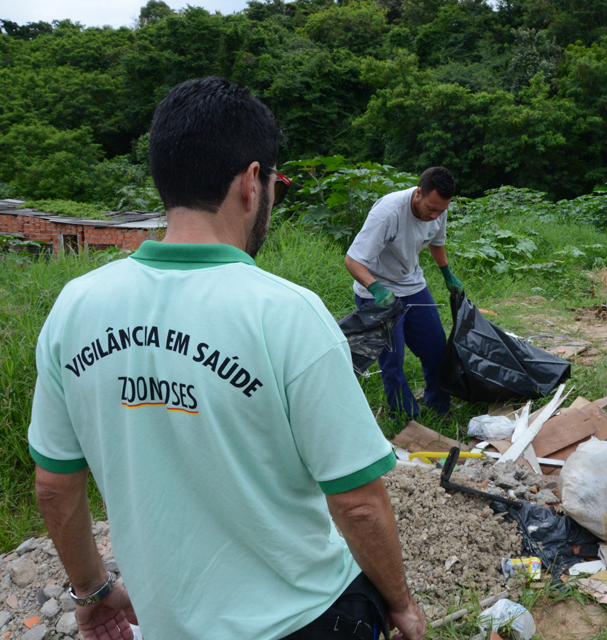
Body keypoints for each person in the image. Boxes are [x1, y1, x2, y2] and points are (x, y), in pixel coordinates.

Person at [29, 76, 426, 640]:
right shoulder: (286, 313)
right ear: (252, 182)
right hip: (304, 621)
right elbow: (358, 503)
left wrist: (93, 591)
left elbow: (54, 485)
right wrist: (402, 603)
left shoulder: (76, 307)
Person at [344, 167, 463, 418]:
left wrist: (447, 273)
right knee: (393, 361)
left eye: (441, 210)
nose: (435, 215)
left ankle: (438, 407)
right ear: (418, 193)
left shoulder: (439, 208)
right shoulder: (388, 213)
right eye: (431, 208)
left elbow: (436, 242)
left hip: (413, 285)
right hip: (377, 291)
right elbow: (353, 261)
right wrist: (376, 289)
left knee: (436, 349)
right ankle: (405, 417)